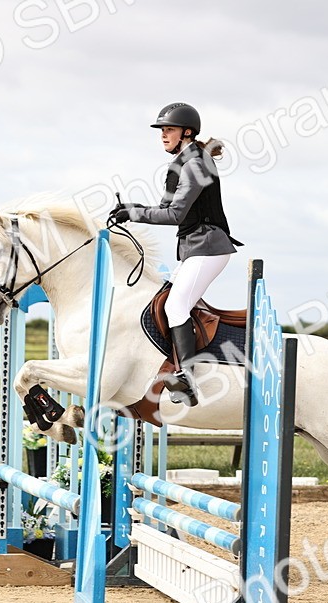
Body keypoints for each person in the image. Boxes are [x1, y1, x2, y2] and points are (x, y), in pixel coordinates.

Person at [110, 102, 241, 406]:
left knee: (176, 306)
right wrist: (134, 210)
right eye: (162, 131)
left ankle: (187, 376)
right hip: (196, 249)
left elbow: (176, 213)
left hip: (208, 248)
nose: (163, 135)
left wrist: (133, 211)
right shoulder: (187, 160)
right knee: (165, 302)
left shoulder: (194, 164)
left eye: (168, 130)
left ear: (186, 132)